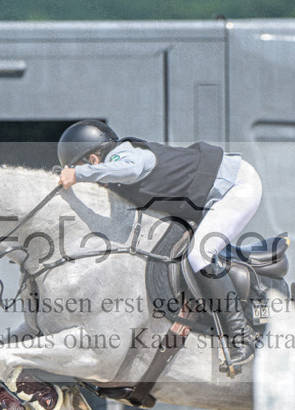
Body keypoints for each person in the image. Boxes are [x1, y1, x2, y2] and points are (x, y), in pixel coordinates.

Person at [57, 119, 262, 367]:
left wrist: (77, 175)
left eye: (84, 168)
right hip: (215, 194)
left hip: (237, 186)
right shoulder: (118, 179)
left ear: (93, 160)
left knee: (199, 255)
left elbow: (130, 170)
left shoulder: (126, 154)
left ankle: (243, 336)